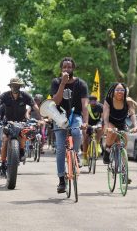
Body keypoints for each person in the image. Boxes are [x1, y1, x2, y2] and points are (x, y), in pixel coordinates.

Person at [0, 78, 42, 177]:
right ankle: (3, 163)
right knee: (5, 139)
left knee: (23, 135)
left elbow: (34, 106)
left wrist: (41, 118)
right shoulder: (5, 95)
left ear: (20, 87)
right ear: (10, 86)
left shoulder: (25, 96)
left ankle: (21, 151)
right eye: (13, 85)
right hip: (7, 122)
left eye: (17, 86)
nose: (15, 87)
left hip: (22, 122)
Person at [50, 57, 88, 193]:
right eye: (64, 67)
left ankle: (75, 153)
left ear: (73, 68)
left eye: (69, 67)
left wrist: (85, 121)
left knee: (77, 132)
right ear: (61, 69)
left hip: (75, 115)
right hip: (59, 116)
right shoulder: (56, 82)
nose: (67, 69)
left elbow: (85, 105)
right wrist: (62, 84)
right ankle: (61, 179)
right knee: (60, 148)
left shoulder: (81, 84)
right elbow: (56, 100)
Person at [102, 83, 137, 164]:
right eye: (117, 90)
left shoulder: (128, 101)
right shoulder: (108, 100)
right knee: (113, 132)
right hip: (110, 122)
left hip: (121, 123)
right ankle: (107, 149)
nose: (120, 92)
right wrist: (107, 127)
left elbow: (132, 114)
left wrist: (135, 126)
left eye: (122, 90)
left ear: (125, 92)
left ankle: (124, 171)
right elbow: (106, 116)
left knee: (124, 142)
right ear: (113, 91)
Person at [82, 95, 104, 166]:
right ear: (89, 101)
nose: (93, 102)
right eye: (91, 101)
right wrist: (86, 125)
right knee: (85, 138)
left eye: (94, 100)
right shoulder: (87, 107)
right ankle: (85, 158)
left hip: (98, 122)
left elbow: (103, 117)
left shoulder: (100, 106)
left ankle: (97, 144)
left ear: (96, 101)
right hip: (88, 123)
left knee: (100, 129)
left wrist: (101, 124)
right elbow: (85, 117)